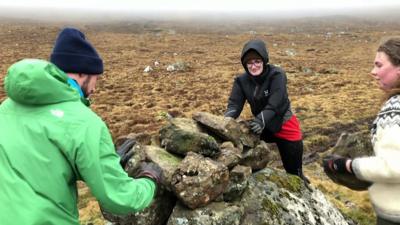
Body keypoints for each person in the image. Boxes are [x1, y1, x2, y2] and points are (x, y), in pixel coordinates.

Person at [0, 28, 161, 225]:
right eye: (95, 78)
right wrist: (150, 180)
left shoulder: (7, 107)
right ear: (82, 73)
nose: (94, 88)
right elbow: (121, 198)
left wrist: (98, 163)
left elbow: (40, 163)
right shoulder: (83, 123)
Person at [323, 38, 400, 225]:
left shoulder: (395, 109)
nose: (373, 72)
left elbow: (394, 167)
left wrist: (348, 166)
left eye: (379, 65)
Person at [225, 39, 308, 182]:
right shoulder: (241, 81)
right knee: (242, 146)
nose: (254, 65)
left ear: (264, 60)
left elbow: (276, 102)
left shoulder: (277, 75)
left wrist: (261, 119)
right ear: (245, 64)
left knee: (294, 173)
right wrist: (222, 123)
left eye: (257, 61)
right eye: (249, 63)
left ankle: (305, 190)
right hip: (261, 126)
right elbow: (234, 106)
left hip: (284, 125)